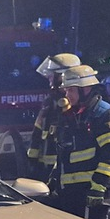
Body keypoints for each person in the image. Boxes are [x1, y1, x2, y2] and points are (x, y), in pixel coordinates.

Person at [52, 65, 110, 219]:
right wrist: (55, 178)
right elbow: (64, 150)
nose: (67, 95)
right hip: (70, 190)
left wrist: (98, 186)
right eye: (66, 90)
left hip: (91, 190)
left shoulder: (105, 114)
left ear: (86, 90)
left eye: (71, 90)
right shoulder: (73, 115)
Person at [26, 53, 81, 181]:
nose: (49, 79)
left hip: (63, 166)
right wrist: (32, 158)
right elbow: (38, 129)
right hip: (45, 163)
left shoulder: (74, 101)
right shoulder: (50, 100)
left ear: (63, 76)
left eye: (52, 76)